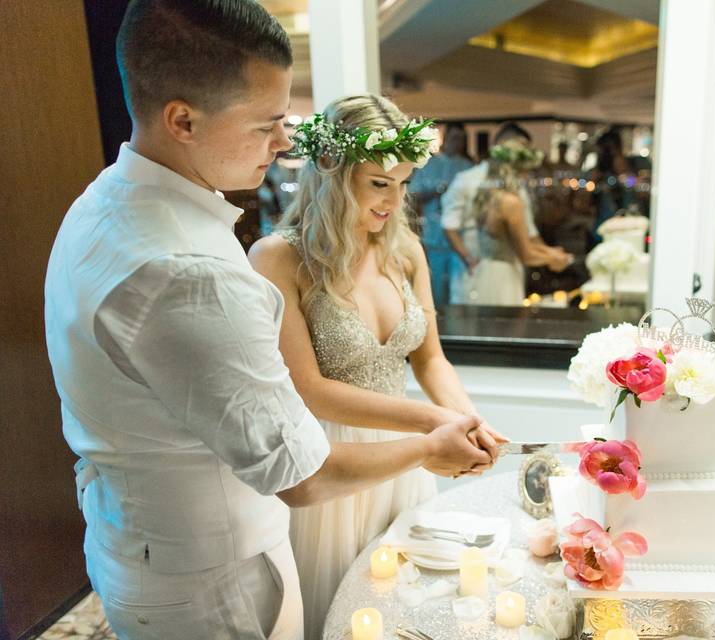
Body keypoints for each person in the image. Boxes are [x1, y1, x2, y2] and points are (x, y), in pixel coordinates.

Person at [43, 3, 493, 639]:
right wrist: (429, 441)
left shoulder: (108, 201)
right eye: (267, 124)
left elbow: (428, 359)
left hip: (145, 539)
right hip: (213, 577)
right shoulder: (190, 269)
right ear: (183, 120)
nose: (286, 143)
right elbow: (304, 477)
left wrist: (444, 421)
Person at [248, 96, 505, 635]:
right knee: (337, 614)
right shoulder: (278, 258)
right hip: (329, 466)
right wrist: (433, 426)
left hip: (407, 463)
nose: (395, 200)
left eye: (404, 184)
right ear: (332, 173)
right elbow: (310, 390)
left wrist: (468, 420)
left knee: (404, 609)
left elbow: (431, 360)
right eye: (379, 183)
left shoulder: (405, 250)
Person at [441, 122, 568, 303]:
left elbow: (528, 233)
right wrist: (469, 259)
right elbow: (449, 226)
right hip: (475, 269)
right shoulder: (468, 181)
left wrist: (549, 252)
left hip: (503, 268)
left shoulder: (509, 190)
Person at [407, 122, 474, 306]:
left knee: (459, 288)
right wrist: (436, 191)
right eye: (453, 138)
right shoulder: (429, 164)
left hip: (460, 238)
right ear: (445, 140)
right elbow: (412, 194)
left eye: (461, 139)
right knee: (435, 287)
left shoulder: (468, 166)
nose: (457, 143)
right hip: (434, 234)